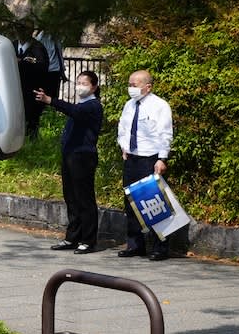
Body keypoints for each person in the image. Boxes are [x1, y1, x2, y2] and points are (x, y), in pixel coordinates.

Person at [36, 69, 104, 252]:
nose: (80, 86)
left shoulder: (92, 106)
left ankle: (88, 240)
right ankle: (72, 237)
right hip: (70, 155)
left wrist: (50, 100)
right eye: (78, 83)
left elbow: (74, 111)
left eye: (84, 83)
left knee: (84, 198)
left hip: (83, 157)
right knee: (71, 198)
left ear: (94, 87)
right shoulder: (81, 104)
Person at [116, 69, 175, 260]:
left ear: (147, 87)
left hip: (150, 158)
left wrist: (162, 158)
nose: (131, 88)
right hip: (131, 158)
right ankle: (135, 245)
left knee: (154, 203)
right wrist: (124, 146)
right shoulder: (129, 105)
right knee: (131, 203)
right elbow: (123, 128)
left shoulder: (160, 105)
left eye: (134, 85)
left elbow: (165, 133)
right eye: (129, 84)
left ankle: (160, 247)